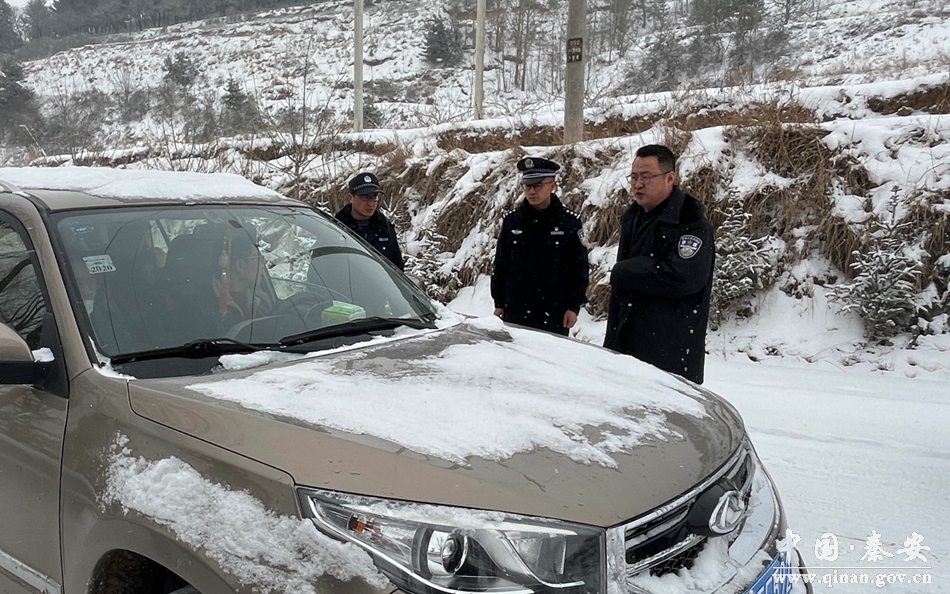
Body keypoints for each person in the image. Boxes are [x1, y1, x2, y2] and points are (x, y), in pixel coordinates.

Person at [604, 144, 715, 384]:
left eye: (646, 177)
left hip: (669, 349)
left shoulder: (690, 223)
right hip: (627, 341)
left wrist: (626, 271)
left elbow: (682, 278)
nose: (638, 184)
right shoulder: (634, 217)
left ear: (670, 178)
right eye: (634, 177)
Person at [491, 156, 589, 336]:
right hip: (516, 310)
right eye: (527, 186)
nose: (531, 191)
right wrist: (499, 303)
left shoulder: (569, 223)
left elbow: (579, 268)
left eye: (537, 186)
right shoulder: (512, 221)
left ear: (552, 186)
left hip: (553, 312)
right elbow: (501, 265)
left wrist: (573, 307)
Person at [335, 172, 405, 270]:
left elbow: (397, 270)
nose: (371, 203)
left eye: (374, 197)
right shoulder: (336, 228)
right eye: (365, 197)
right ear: (351, 198)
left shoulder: (385, 228)